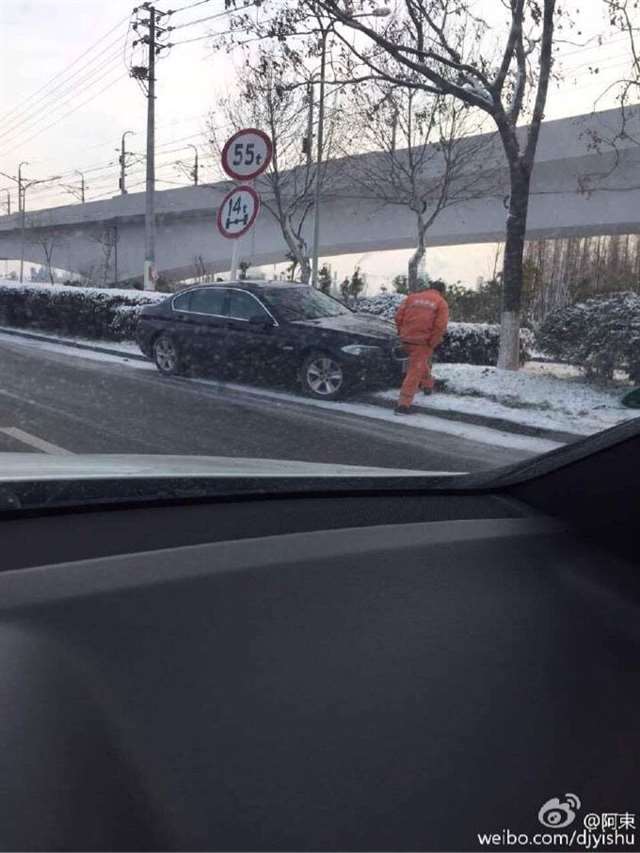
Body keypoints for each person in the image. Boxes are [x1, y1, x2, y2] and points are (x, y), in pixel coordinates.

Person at [394, 279, 449, 415]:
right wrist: (433, 342)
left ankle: (428, 385)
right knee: (414, 371)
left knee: (419, 363)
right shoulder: (441, 303)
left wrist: (402, 333)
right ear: (442, 291)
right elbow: (440, 326)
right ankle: (403, 405)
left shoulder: (412, 298)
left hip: (406, 338)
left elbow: (398, 317)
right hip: (422, 341)